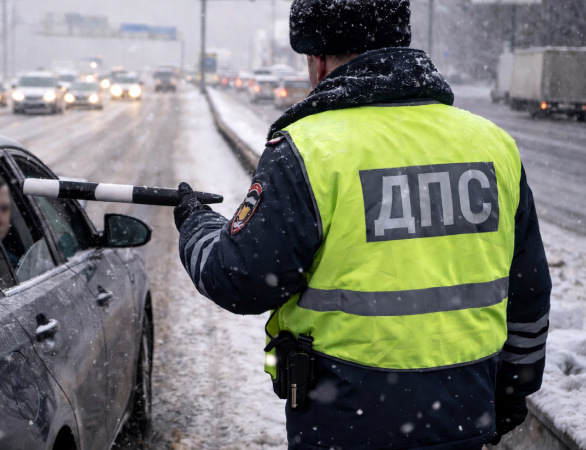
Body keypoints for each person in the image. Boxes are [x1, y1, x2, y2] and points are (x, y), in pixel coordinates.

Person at [173, 1, 551, 449]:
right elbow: (529, 294)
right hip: (463, 415)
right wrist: (512, 390)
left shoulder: (308, 151)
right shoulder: (493, 145)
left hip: (345, 423)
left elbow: (241, 279)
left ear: (317, 62)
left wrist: (196, 225)